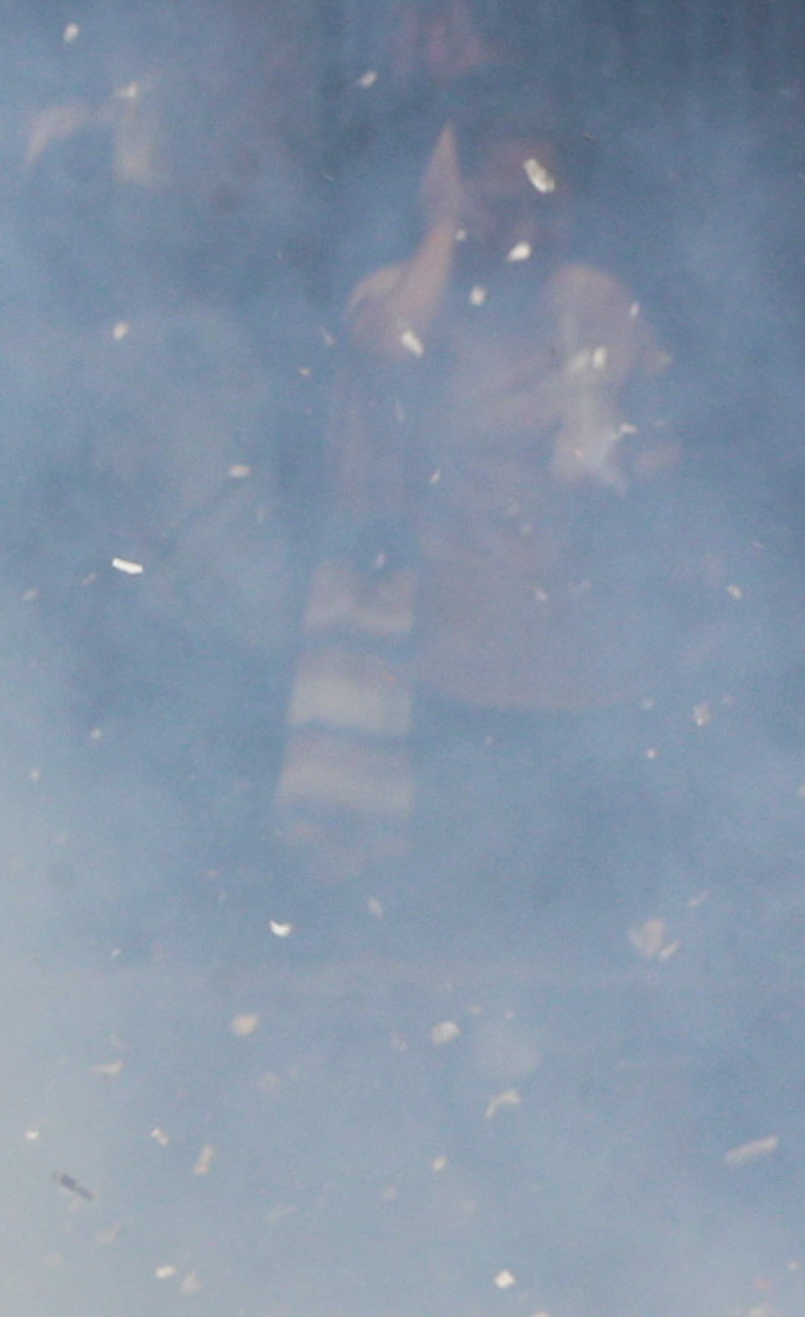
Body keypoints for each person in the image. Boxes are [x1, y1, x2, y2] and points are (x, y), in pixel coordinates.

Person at [285, 119, 681, 922]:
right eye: (503, 208)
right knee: (447, 911)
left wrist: (622, 466)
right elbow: (392, 347)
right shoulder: (402, 293)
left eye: (548, 210)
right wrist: (440, 228)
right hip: (436, 669)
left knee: (565, 916)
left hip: (572, 659)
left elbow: (662, 443)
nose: (528, 234)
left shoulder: (598, 301)